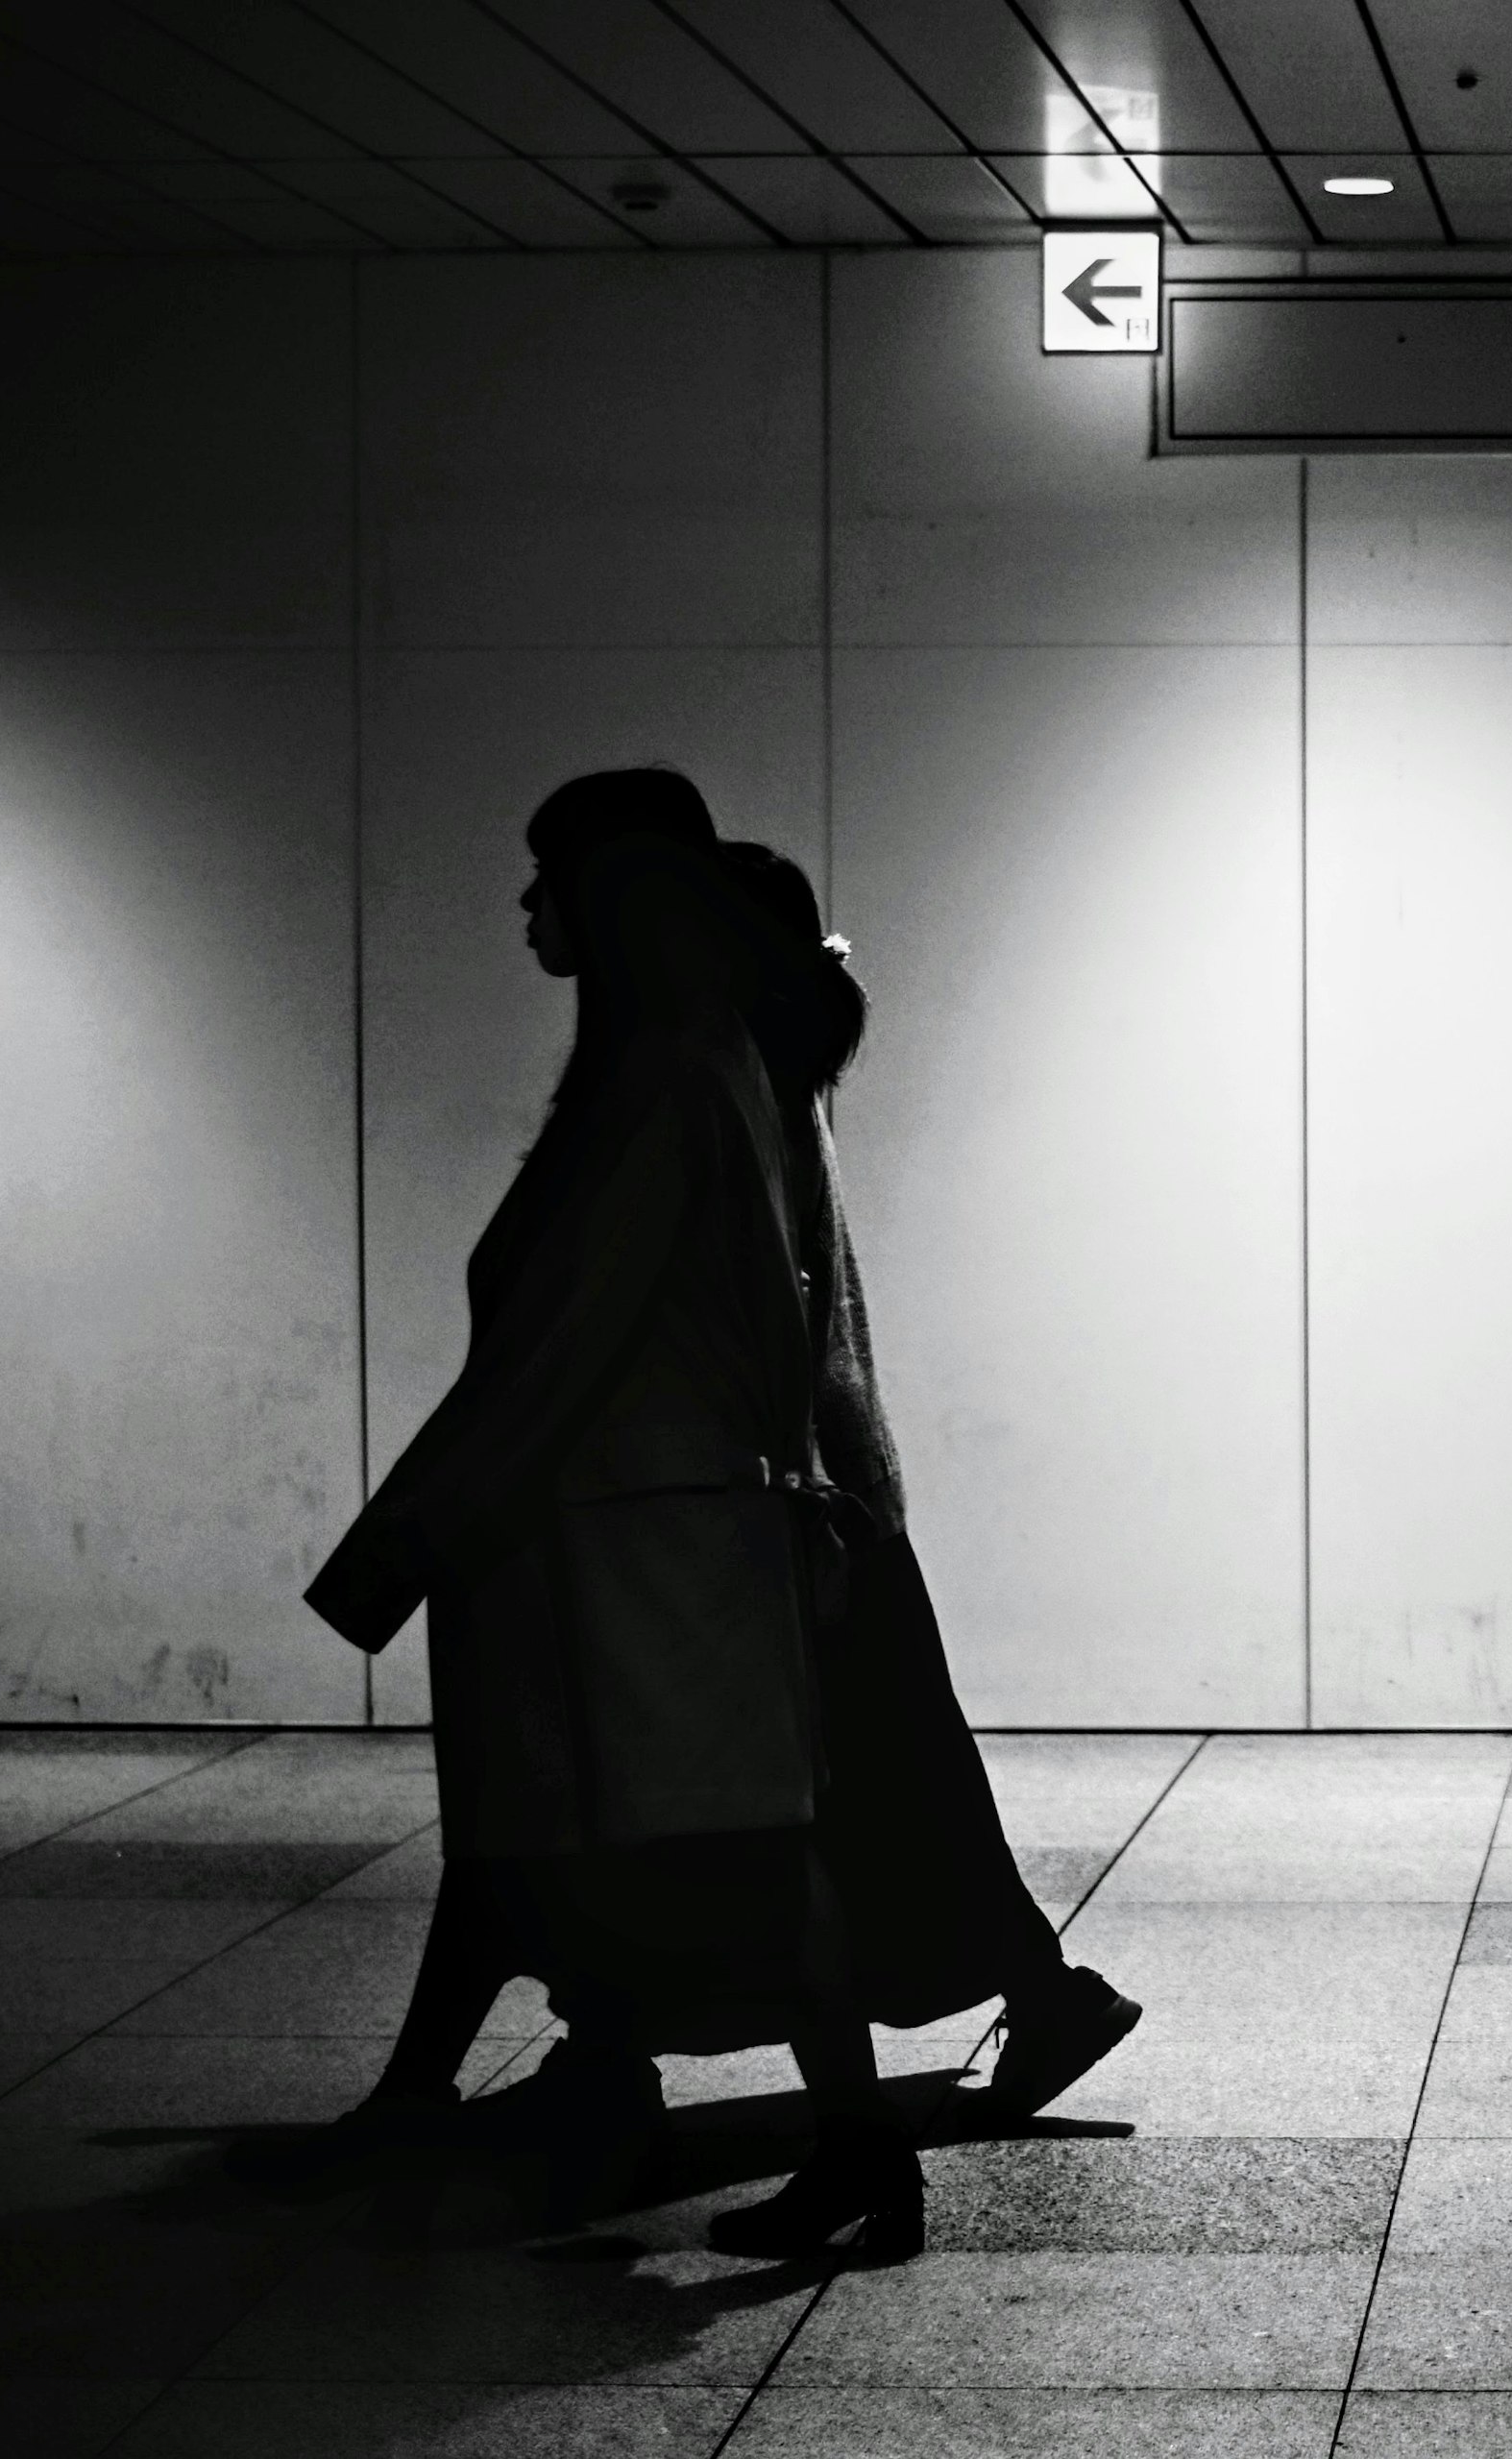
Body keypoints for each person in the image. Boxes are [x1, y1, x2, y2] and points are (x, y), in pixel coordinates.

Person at [302, 768, 919, 2263]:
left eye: (544, 880)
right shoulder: (701, 1069)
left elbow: (560, 1343)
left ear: (612, 899)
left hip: (643, 1556)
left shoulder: (653, 1087)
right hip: (662, 1547)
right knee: (726, 1858)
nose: (524, 909)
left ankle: (855, 2157)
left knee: (744, 1863)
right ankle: (832, 2149)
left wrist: (396, 1549)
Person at [709, 839, 1140, 2105]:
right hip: (847, 1486)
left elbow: (779, 1313)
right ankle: (1043, 1993)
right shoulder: (783, 1075)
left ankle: (1037, 1997)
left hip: (813, 1497)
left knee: (871, 1780)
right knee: (904, 1770)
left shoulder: (741, 1085)